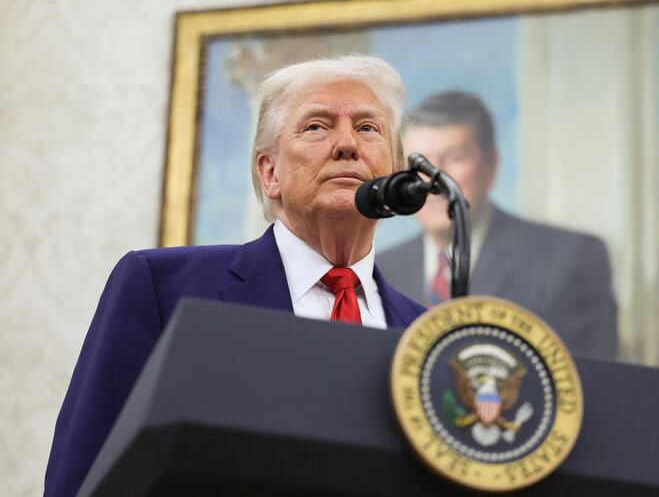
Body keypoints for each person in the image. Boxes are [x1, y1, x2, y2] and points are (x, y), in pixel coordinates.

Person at [44, 56, 426, 496]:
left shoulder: (425, 336)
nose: (346, 145)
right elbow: (84, 476)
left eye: (367, 128)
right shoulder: (162, 287)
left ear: (398, 171)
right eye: (317, 126)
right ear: (269, 173)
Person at [377, 91, 617, 359]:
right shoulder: (382, 270)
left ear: (491, 166)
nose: (433, 182)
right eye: (420, 164)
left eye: (455, 158)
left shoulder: (571, 258)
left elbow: (594, 377)